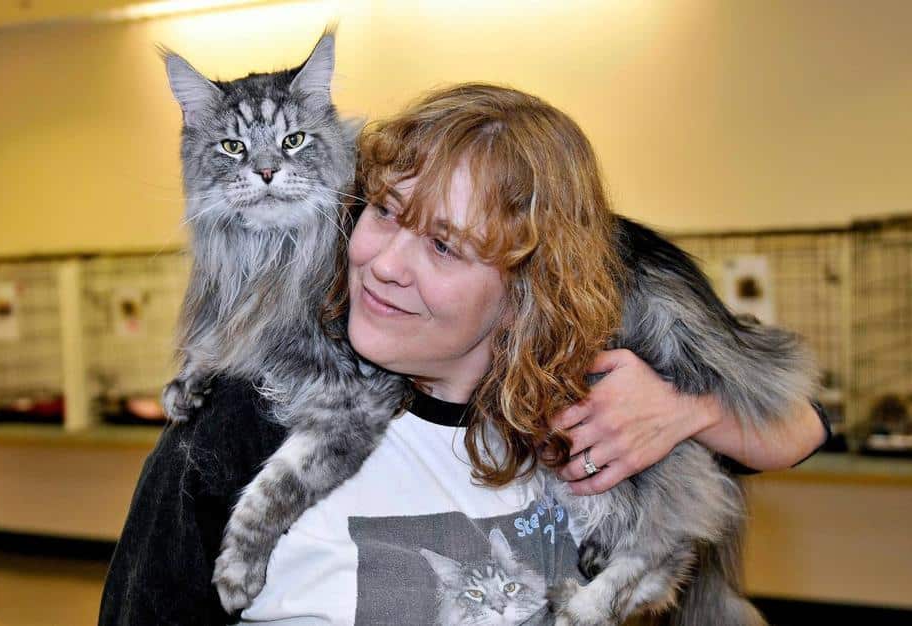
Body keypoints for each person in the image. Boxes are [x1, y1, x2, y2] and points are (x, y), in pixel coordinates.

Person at [99, 84, 828, 625]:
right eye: (384, 212)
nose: (385, 265)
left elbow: (796, 428)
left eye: (444, 246)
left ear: (527, 288)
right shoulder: (241, 426)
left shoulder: (579, 410)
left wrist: (687, 411)